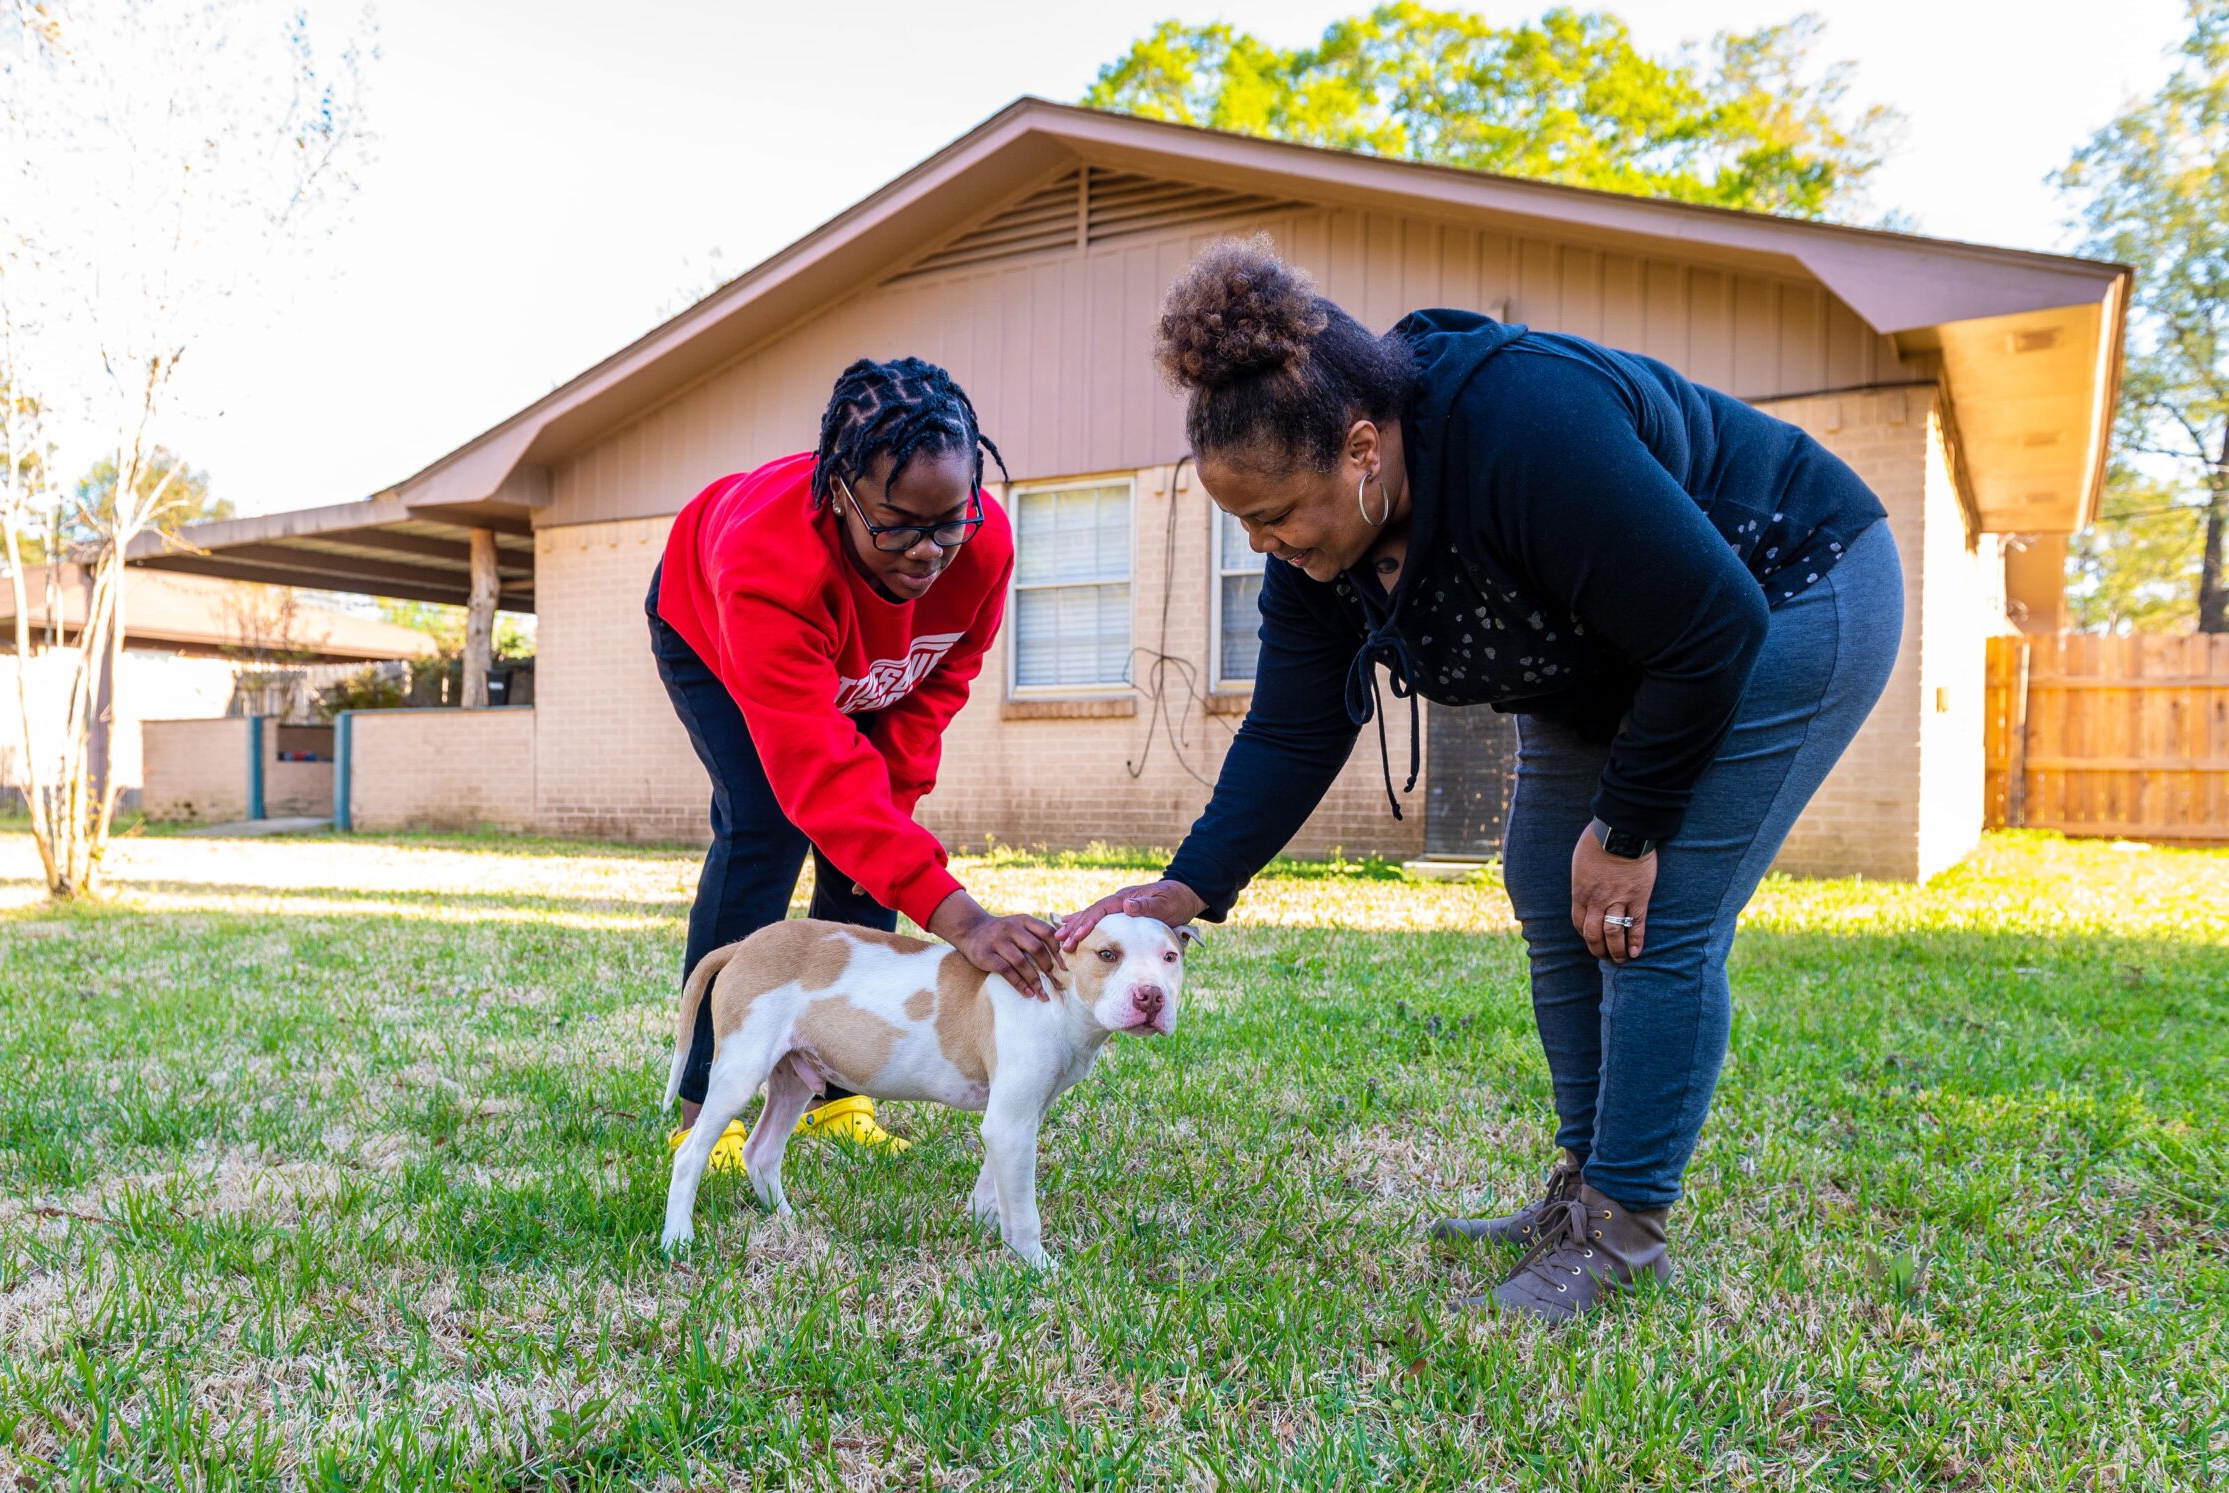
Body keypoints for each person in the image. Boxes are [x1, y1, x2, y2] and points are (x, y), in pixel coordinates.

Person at [1059, 239, 1903, 1321]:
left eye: (1277, 514)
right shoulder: (1319, 550)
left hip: (1783, 591)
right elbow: (1292, 728)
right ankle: (1583, 1188)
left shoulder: (1524, 424)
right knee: (1551, 887)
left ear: (1362, 450)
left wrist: (1632, 830)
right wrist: (1183, 888)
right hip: (1605, 651)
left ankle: (1623, 1232)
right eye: (1245, 526)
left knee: (1655, 912)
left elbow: (1710, 625)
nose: (1266, 544)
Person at [648, 355, 1062, 1171]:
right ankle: (710, 1104)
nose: (928, 552)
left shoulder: (982, 548)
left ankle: (843, 1084)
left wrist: (893, 824)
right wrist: (961, 919)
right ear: (839, 492)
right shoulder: (765, 559)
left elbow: (936, 689)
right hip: (707, 624)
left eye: (949, 521)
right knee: (765, 824)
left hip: (868, 668)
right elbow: (819, 775)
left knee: (876, 847)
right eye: (897, 525)